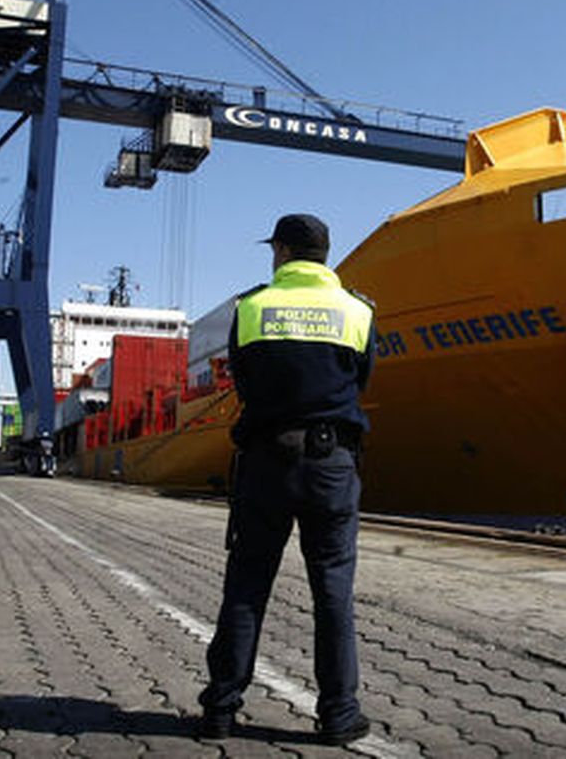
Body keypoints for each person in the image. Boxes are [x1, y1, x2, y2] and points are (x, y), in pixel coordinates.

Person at [198, 213, 375, 745]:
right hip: (331, 463)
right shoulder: (358, 311)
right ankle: (340, 715)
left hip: (265, 461)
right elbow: (360, 378)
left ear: (281, 252)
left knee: (248, 586)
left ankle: (221, 711)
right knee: (333, 593)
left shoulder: (251, 307)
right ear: (323, 254)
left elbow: (244, 380)